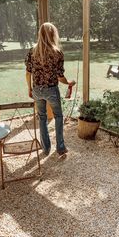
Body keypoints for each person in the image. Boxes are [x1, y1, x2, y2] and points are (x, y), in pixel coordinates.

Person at [25, 22, 76, 156]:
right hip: (52, 90)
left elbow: (28, 72)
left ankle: (46, 148)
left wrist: (29, 89)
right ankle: (60, 147)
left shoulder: (32, 51)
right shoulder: (57, 53)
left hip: (37, 89)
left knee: (42, 118)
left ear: (40, 34)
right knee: (58, 116)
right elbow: (60, 77)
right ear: (53, 34)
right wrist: (69, 82)